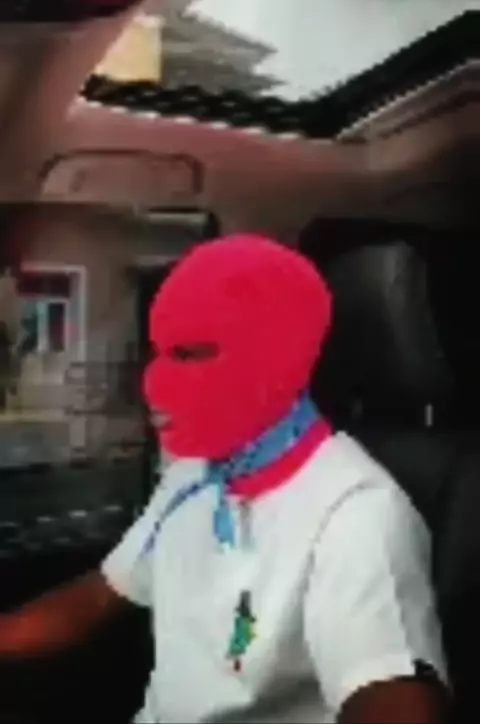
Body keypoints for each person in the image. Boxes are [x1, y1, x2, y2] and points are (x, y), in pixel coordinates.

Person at [0, 235, 449, 723]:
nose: (154, 384)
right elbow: (99, 596)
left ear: (272, 358)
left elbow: (392, 700)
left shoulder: (356, 513)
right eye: (160, 354)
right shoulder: (194, 474)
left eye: (192, 353)